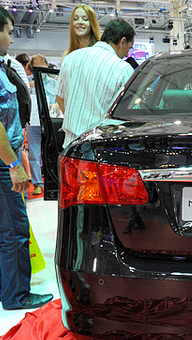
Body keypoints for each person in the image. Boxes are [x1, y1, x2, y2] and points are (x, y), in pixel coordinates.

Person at [0, 7, 53, 310]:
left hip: (4, 159)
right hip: (3, 163)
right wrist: (13, 165)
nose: (11, 39)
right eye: (8, 32)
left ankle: (7, 288)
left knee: (7, 230)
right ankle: (16, 295)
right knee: (15, 231)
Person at [56, 18, 135, 147]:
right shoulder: (123, 69)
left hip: (70, 146)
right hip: (102, 146)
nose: (127, 54)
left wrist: (75, 123)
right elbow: (127, 112)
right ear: (122, 41)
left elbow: (60, 98)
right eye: (129, 48)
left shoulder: (70, 58)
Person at [26, 54, 57, 195]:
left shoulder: (54, 83)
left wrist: (55, 105)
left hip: (50, 121)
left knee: (52, 151)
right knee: (34, 153)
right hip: (33, 122)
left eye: (42, 67)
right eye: (36, 67)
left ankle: (54, 181)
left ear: (46, 66)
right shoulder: (28, 83)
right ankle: (38, 183)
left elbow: (59, 100)